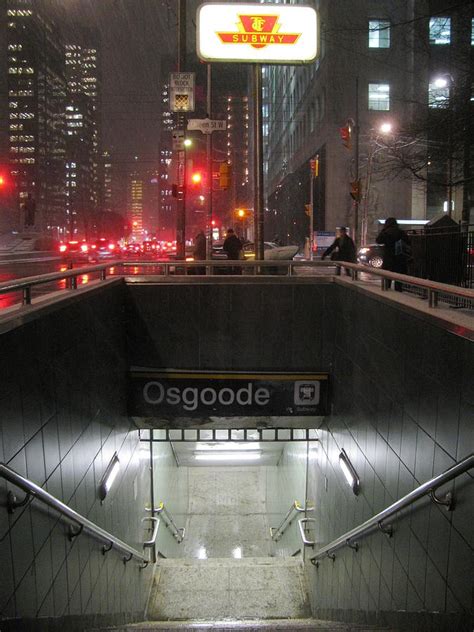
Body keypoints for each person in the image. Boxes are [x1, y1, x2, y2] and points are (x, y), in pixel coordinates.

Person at [376, 217, 411, 291]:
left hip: (389, 259)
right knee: (398, 282)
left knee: (387, 281)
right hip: (399, 260)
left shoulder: (386, 233)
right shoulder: (400, 232)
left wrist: (383, 230)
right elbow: (408, 242)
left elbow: (378, 240)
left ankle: (387, 292)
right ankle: (398, 294)